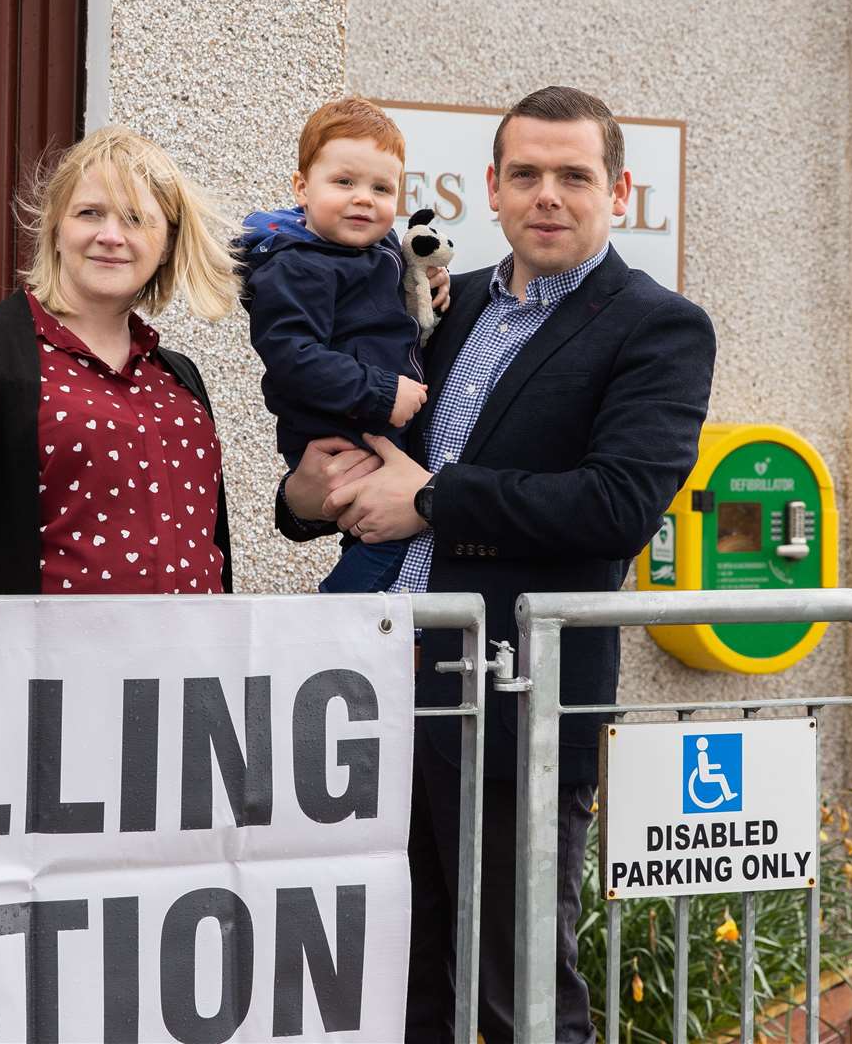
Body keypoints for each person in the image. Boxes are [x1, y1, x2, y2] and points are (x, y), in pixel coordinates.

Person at [278, 86, 717, 1042]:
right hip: (379, 691)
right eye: (526, 174)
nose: (547, 195)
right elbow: (359, 456)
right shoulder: (449, 299)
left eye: (574, 175)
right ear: (492, 186)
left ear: (618, 190)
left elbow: (614, 507)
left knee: (517, 993)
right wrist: (305, 496)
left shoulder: (658, 328)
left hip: (519, 706)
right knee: (393, 983)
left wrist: (434, 497)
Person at [0, 125, 242, 595]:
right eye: (89, 213)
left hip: (191, 663)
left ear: (166, 246)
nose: (110, 235)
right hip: (46, 665)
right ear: (56, 229)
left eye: (136, 220)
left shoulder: (179, 377)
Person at [241, 97, 447, 593]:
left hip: (367, 423)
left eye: (381, 188)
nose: (363, 199)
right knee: (387, 532)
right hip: (339, 427)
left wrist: (431, 283)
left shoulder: (375, 254)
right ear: (301, 188)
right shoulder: (298, 265)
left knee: (378, 530)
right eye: (344, 182)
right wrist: (381, 393)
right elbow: (293, 357)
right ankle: (339, 608)